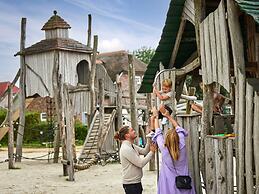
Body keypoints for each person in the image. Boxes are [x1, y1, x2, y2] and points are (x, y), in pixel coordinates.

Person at [150, 107, 195, 194]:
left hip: (168, 185)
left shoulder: (164, 149)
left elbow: (158, 132)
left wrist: (155, 117)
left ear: (166, 139)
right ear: (178, 138)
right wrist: (168, 116)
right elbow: (178, 128)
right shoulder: (182, 145)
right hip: (184, 184)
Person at [114, 126, 157, 194]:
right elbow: (140, 164)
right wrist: (152, 152)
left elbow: (144, 151)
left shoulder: (131, 145)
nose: (134, 131)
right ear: (127, 135)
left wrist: (149, 140)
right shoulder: (126, 148)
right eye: (132, 130)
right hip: (131, 184)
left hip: (135, 182)